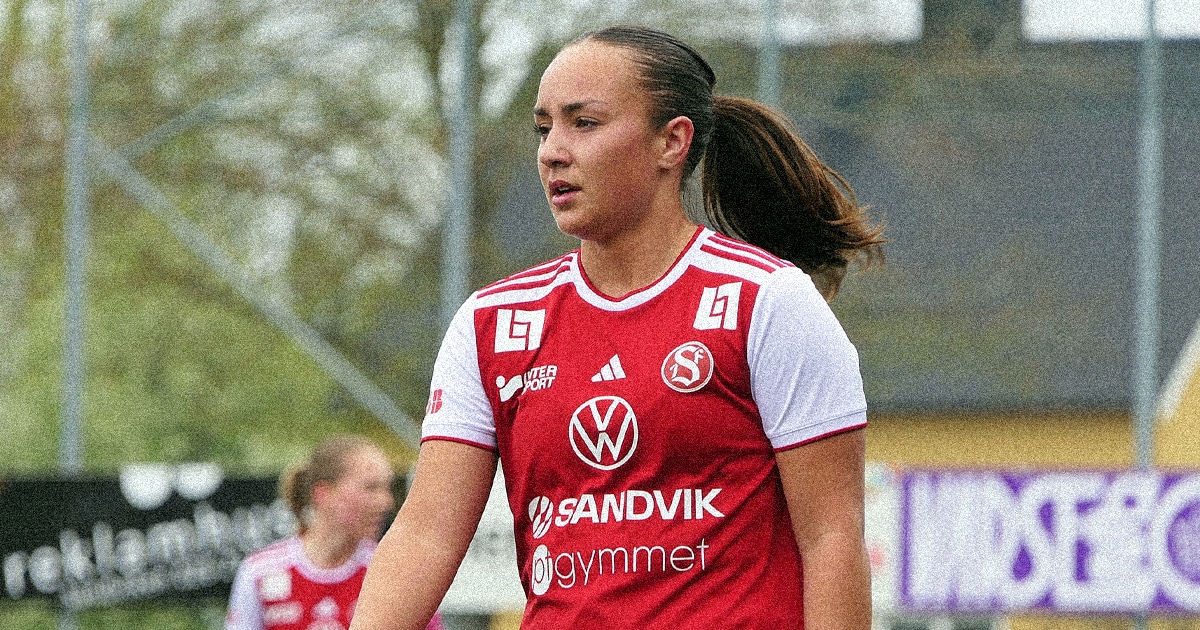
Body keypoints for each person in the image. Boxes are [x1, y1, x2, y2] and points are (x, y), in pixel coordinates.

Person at [350, 25, 885, 630]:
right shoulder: (492, 322)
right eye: (544, 128)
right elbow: (426, 534)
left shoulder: (768, 301)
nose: (552, 151)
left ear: (671, 142)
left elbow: (832, 540)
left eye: (584, 123)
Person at [225, 435, 445, 630]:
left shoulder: (396, 571)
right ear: (323, 494)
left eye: (387, 488)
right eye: (371, 488)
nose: (386, 502)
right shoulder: (259, 572)